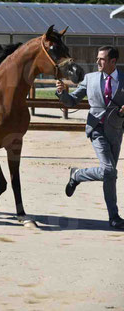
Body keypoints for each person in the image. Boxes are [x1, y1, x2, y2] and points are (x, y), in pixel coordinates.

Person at [56, 46, 124, 230]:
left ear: (112, 61)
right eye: (97, 58)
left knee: (109, 175)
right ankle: (115, 216)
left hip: (116, 132)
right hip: (96, 130)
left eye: (101, 59)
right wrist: (62, 93)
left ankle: (78, 175)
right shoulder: (90, 78)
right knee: (109, 170)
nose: (97, 62)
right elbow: (72, 101)